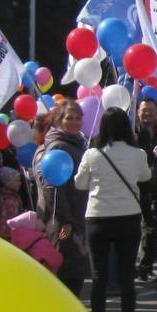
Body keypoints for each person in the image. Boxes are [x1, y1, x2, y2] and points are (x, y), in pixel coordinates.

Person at [74, 107, 154, 312]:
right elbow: (146, 176)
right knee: (127, 277)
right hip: (128, 217)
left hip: (98, 217)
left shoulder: (92, 154)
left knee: (99, 278)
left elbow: (80, 183)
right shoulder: (138, 153)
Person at [34, 100, 90, 296]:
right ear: (59, 120)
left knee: (74, 272)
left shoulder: (77, 142)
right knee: (66, 273)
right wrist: (65, 219)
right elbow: (53, 186)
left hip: (77, 217)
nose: (74, 122)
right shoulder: (59, 145)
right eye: (69, 118)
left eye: (78, 118)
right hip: (63, 222)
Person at [134, 97, 157, 281]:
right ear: (138, 112)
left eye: (151, 110)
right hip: (135, 185)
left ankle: (146, 268)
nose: (148, 113)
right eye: (144, 110)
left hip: (155, 186)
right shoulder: (132, 132)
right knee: (135, 229)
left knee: (152, 228)